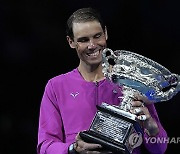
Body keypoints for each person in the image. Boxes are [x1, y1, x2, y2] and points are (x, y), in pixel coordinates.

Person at [37, 7, 168, 154]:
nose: (92, 45)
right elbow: (45, 146)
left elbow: (160, 148)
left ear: (105, 33)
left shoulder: (132, 82)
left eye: (97, 36)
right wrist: (73, 149)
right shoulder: (56, 86)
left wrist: (152, 129)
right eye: (83, 40)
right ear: (71, 42)